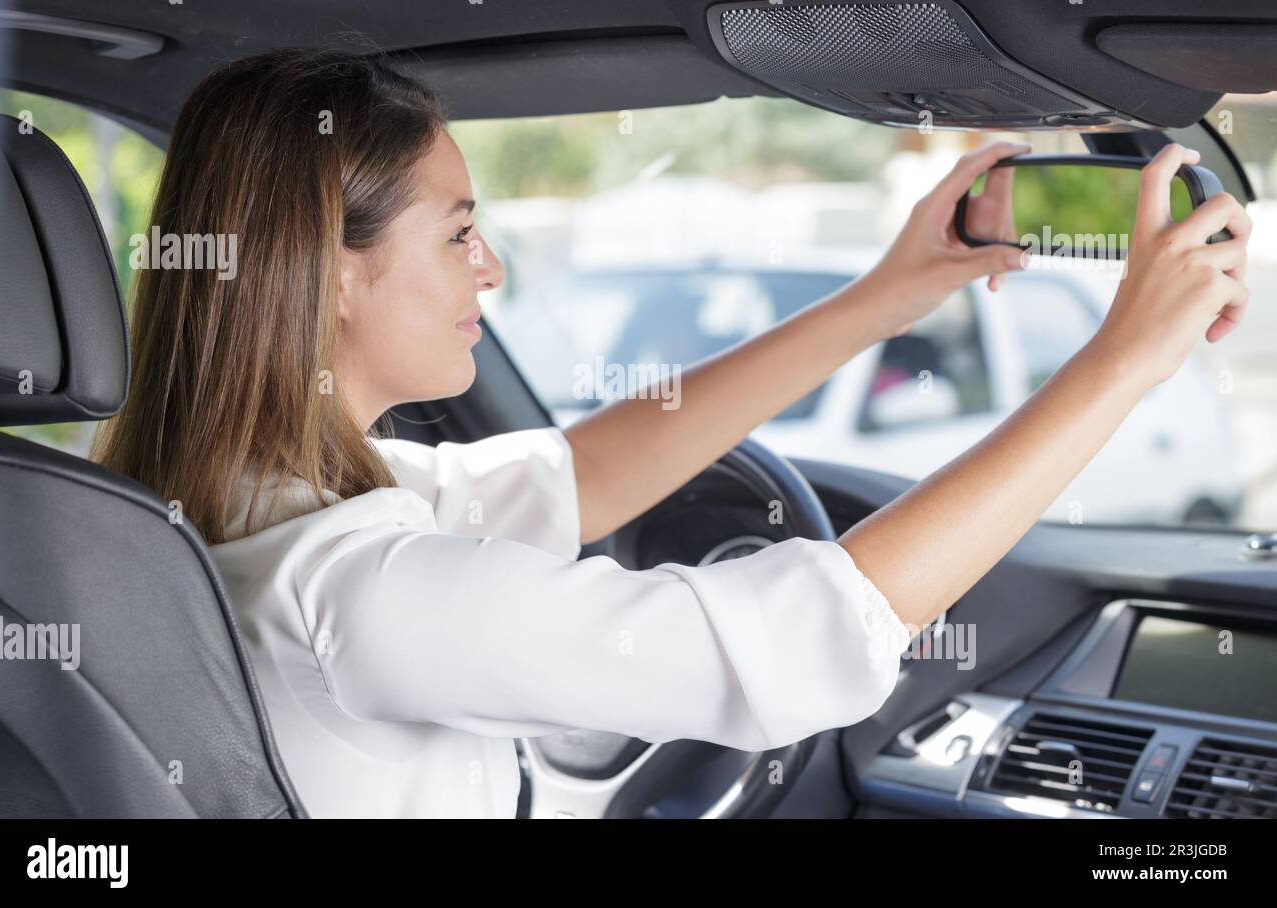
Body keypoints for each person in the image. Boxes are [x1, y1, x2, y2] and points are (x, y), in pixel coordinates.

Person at [93, 48, 1251, 818]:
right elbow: (796, 637)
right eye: (457, 234)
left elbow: (573, 475)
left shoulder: (231, 510)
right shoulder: (363, 590)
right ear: (330, 273)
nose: (490, 267)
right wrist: (1118, 365)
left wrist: (889, 293)